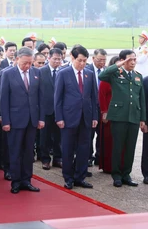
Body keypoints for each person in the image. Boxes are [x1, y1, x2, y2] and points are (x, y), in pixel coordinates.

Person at [99, 50, 146, 188]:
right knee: (118, 147)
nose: (132, 62)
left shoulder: (138, 76)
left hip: (134, 116)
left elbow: (141, 99)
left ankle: (126, 174)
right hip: (119, 116)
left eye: (134, 59)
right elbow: (102, 75)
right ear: (122, 60)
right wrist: (118, 65)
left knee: (130, 147)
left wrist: (142, 118)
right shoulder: (114, 74)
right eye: (129, 60)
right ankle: (117, 175)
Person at [0, 47, 44, 194]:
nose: (28, 66)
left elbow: (40, 97)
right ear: (17, 59)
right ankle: (16, 181)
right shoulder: (7, 74)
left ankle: (27, 180)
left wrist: (41, 118)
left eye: (30, 63)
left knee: (28, 152)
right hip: (15, 120)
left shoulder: (36, 73)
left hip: (32, 119)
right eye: (25, 63)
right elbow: (3, 99)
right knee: (15, 151)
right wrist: (5, 121)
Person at [55, 45, 98, 190]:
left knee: (84, 148)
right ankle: (68, 177)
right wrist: (59, 117)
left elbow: (93, 97)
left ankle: (80, 177)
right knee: (67, 148)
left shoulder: (89, 73)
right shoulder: (63, 73)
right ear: (72, 58)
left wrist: (94, 117)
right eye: (79, 60)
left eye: (85, 61)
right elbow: (58, 98)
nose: (82, 64)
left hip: (85, 117)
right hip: (68, 117)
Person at [39, 48, 63, 170]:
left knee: (59, 136)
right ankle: (45, 159)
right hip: (46, 109)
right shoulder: (41, 72)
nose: (57, 61)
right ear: (49, 58)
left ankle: (58, 158)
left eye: (59, 59)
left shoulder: (64, 71)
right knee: (45, 136)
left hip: (60, 110)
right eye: (55, 59)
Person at [98, 56, 119, 173]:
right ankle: (108, 165)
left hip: (120, 114)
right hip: (109, 114)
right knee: (108, 140)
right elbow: (102, 96)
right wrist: (104, 112)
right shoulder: (107, 79)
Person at [87, 49, 107, 166]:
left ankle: (99, 156)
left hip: (103, 108)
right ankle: (88, 156)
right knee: (89, 134)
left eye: (104, 60)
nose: (102, 63)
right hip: (90, 107)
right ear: (93, 58)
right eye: (100, 60)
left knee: (102, 134)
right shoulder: (87, 70)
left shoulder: (107, 71)